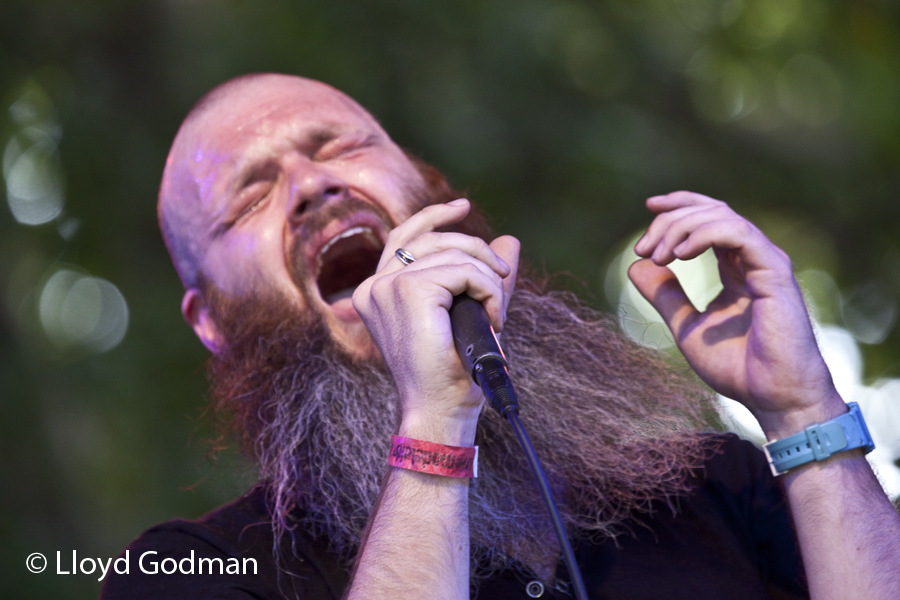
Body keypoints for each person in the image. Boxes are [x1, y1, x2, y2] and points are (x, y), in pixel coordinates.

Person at [101, 73, 900, 600]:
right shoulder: (190, 571)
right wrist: (438, 423)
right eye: (250, 195)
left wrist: (802, 413)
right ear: (210, 323)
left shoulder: (708, 484)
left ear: (434, 195)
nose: (313, 187)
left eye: (338, 146)